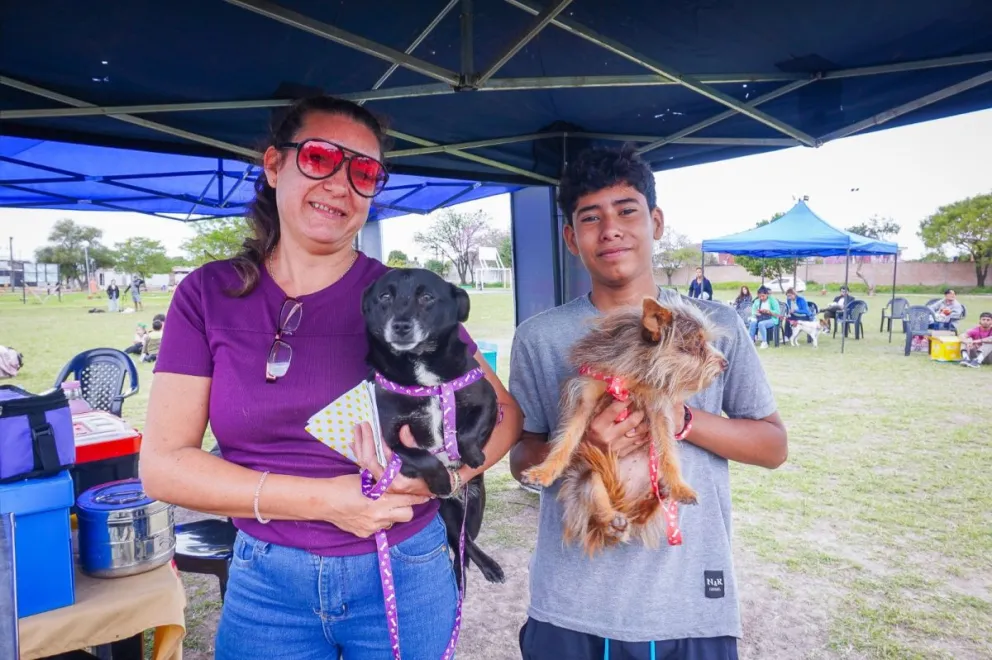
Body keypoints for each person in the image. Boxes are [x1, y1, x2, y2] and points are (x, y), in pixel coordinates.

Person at [139, 96, 523, 659]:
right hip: (266, 582)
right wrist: (324, 500)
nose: (341, 185)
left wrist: (440, 477)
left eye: (363, 172)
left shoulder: (402, 295)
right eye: (319, 158)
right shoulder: (207, 295)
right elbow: (164, 465)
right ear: (275, 166)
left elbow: (505, 414)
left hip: (404, 566)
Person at [508, 145, 787, 660]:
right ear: (571, 237)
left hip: (687, 603)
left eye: (626, 210)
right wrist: (584, 447)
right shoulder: (540, 336)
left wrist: (680, 419)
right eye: (590, 218)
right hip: (571, 603)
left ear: (656, 222)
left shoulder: (716, 327)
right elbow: (522, 459)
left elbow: (773, 446)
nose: (610, 229)